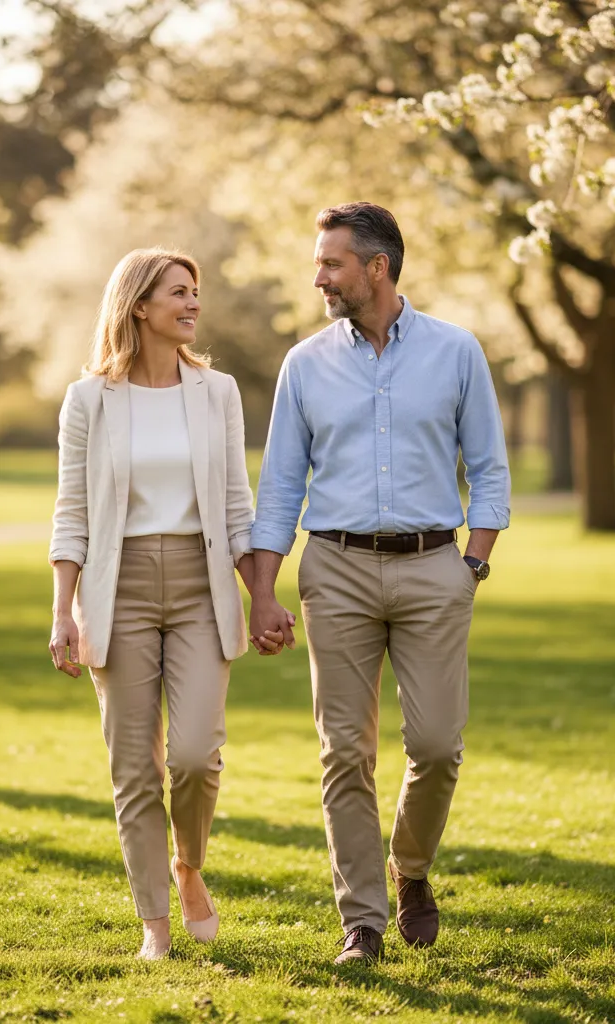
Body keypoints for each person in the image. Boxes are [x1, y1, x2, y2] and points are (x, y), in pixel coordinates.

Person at [249, 203, 511, 965]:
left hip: (435, 568)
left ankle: (411, 868)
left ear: (377, 267)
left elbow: (489, 468)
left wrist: (473, 564)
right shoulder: (304, 363)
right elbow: (279, 489)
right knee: (344, 751)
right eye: (318, 264)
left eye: (331, 264)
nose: (319, 278)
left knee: (436, 746)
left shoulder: (456, 351)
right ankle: (360, 922)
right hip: (335, 570)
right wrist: (263, 592)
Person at [48, 248, 288, 960]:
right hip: (115, 592)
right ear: (139, 306)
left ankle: (188, 865)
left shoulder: (218, 393)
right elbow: (71, 513)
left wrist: (263, 595)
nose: (193, 304)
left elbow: (237, 507)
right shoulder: (88, 400)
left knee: (194, 757)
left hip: (199, 587)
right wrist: (62, 610)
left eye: (194, 292)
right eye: (179, 292)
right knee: (134, 766)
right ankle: (155, 920)